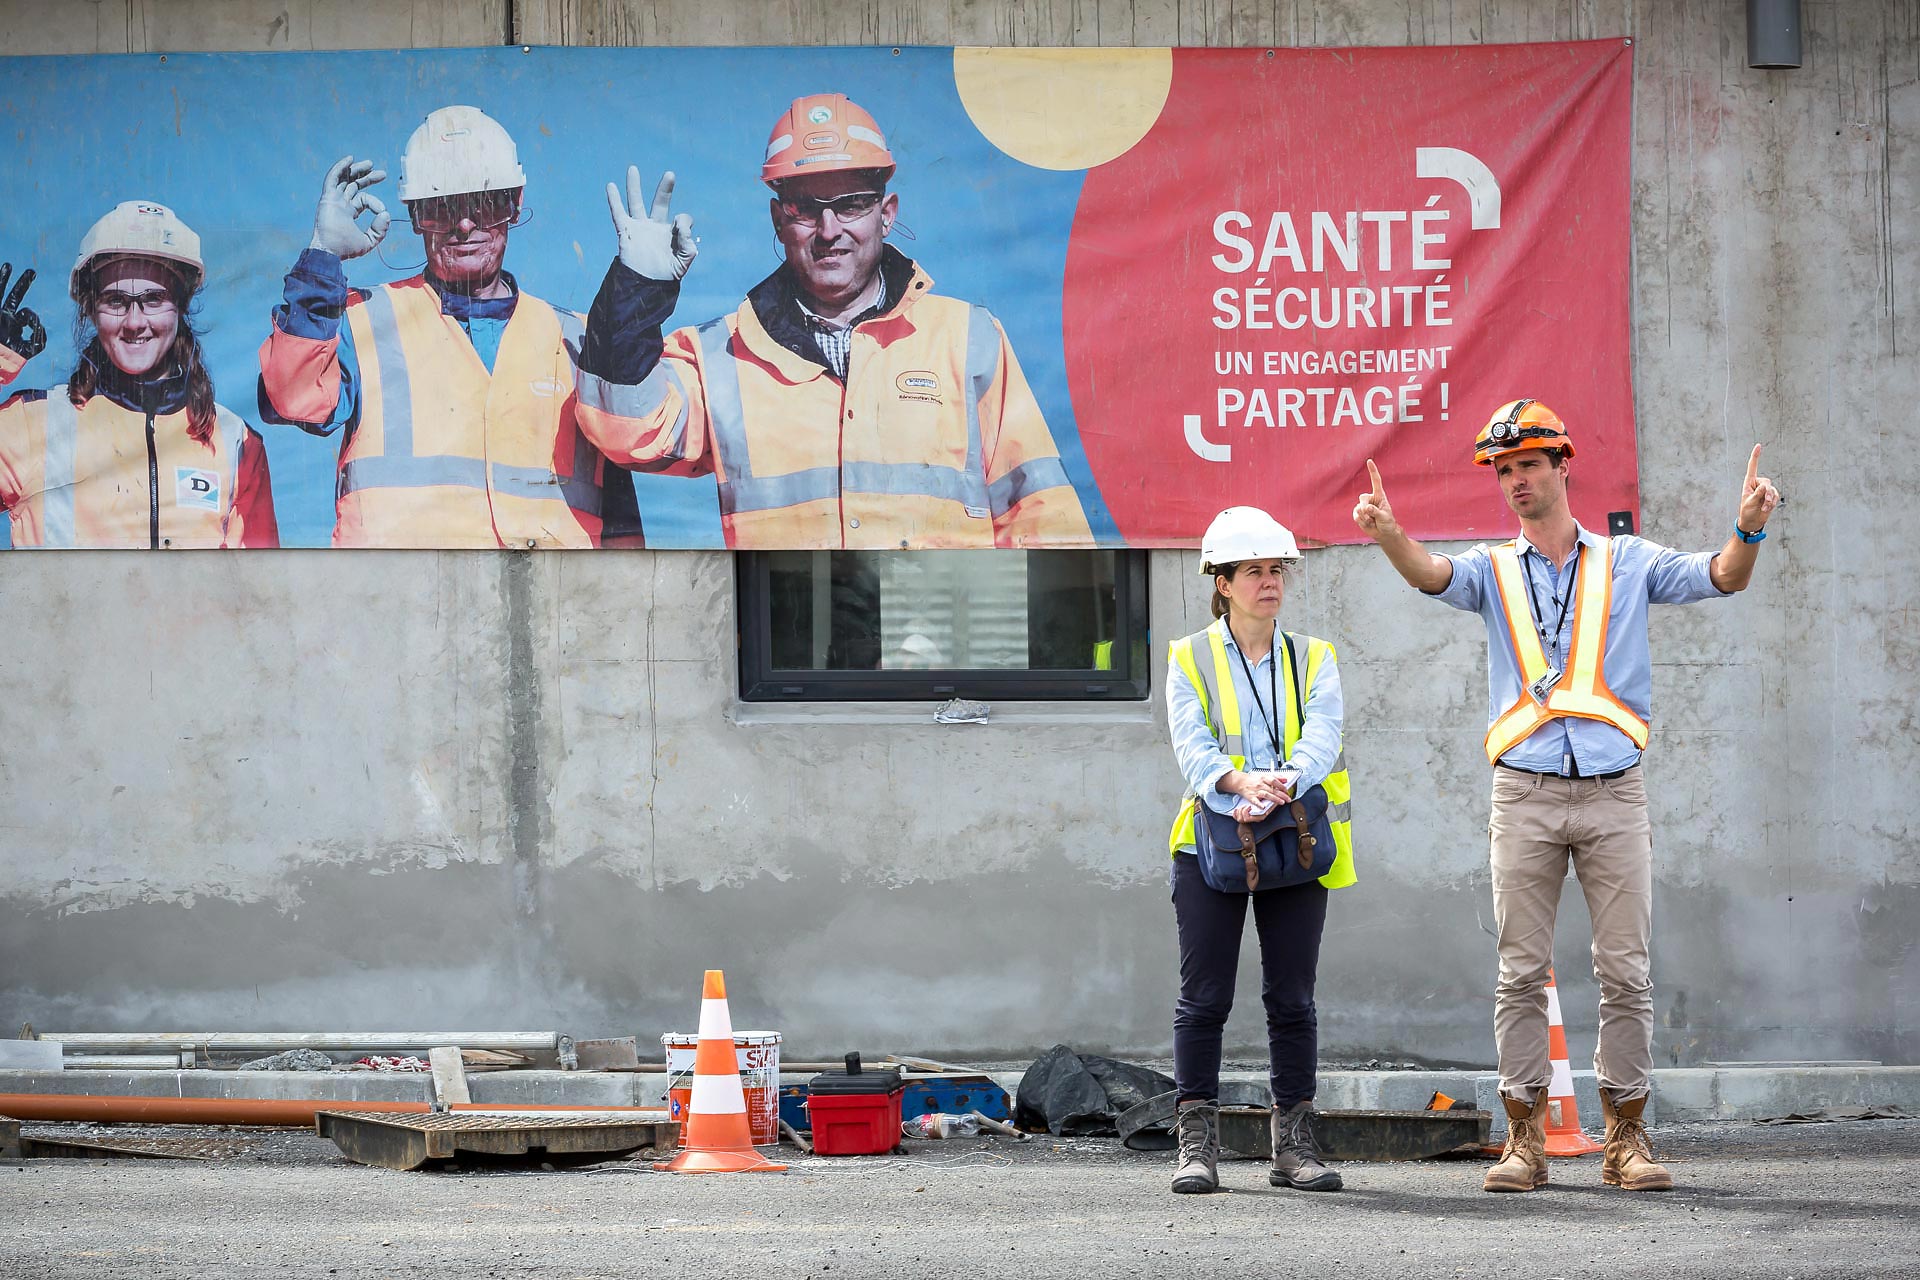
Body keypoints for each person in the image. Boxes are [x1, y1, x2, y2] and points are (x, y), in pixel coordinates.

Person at [1352, 398, 1781, 1194]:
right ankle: (1526, 1143)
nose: (1515, 481)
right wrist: (1388, 535)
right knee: (1520, 972)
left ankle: (1627, 1140)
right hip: (1525, 793)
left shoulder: (1628, 560)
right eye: (1504, 470)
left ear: (1562, 467)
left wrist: (1748, 526)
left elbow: (1721, 576)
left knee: (1626, 972)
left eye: (1527, 466)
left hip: (1615, 792)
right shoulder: (1491, 569)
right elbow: (1432, 575)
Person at [571, 92, 1093, 549]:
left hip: (944, 647)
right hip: (787, 646)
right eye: (805, 208)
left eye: (851, 205)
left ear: (885, 213)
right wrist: (636, 288)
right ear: (779, 219)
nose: (829, 229)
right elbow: (624, 430)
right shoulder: (721, 356)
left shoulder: (968, 339)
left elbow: (1043, 516)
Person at [257, 105, 681, 547]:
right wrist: (322, 255)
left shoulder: (580, 342)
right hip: (400, 604)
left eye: (484, 204)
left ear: (514, 205)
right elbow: (293, 398)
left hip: (552, 602)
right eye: (442, 208)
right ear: (416, 214)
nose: (464, 224)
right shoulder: (359, 322)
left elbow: (620, 520)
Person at [1163, 506, 1357, 1196]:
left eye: (1277, 569)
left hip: (1296, 838)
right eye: (1254, 571)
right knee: (1204, 999)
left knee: (1292, 999)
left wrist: (1281, 784)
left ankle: (1294, 1148)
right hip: (1212, 842)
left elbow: (1324, 734)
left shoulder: (1315, 656)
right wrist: (1240, 782)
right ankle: (1196, 1147)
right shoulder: (1188, 656)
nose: (1269, 582)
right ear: (1222, 582)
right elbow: (1193, 745)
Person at [0, 202, 278, 548]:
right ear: (90, 309)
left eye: (153, 299)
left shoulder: (236, 443)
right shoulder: (31, 425)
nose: (134, 322)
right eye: (116, 301)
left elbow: (256, 590)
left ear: (181, 305)